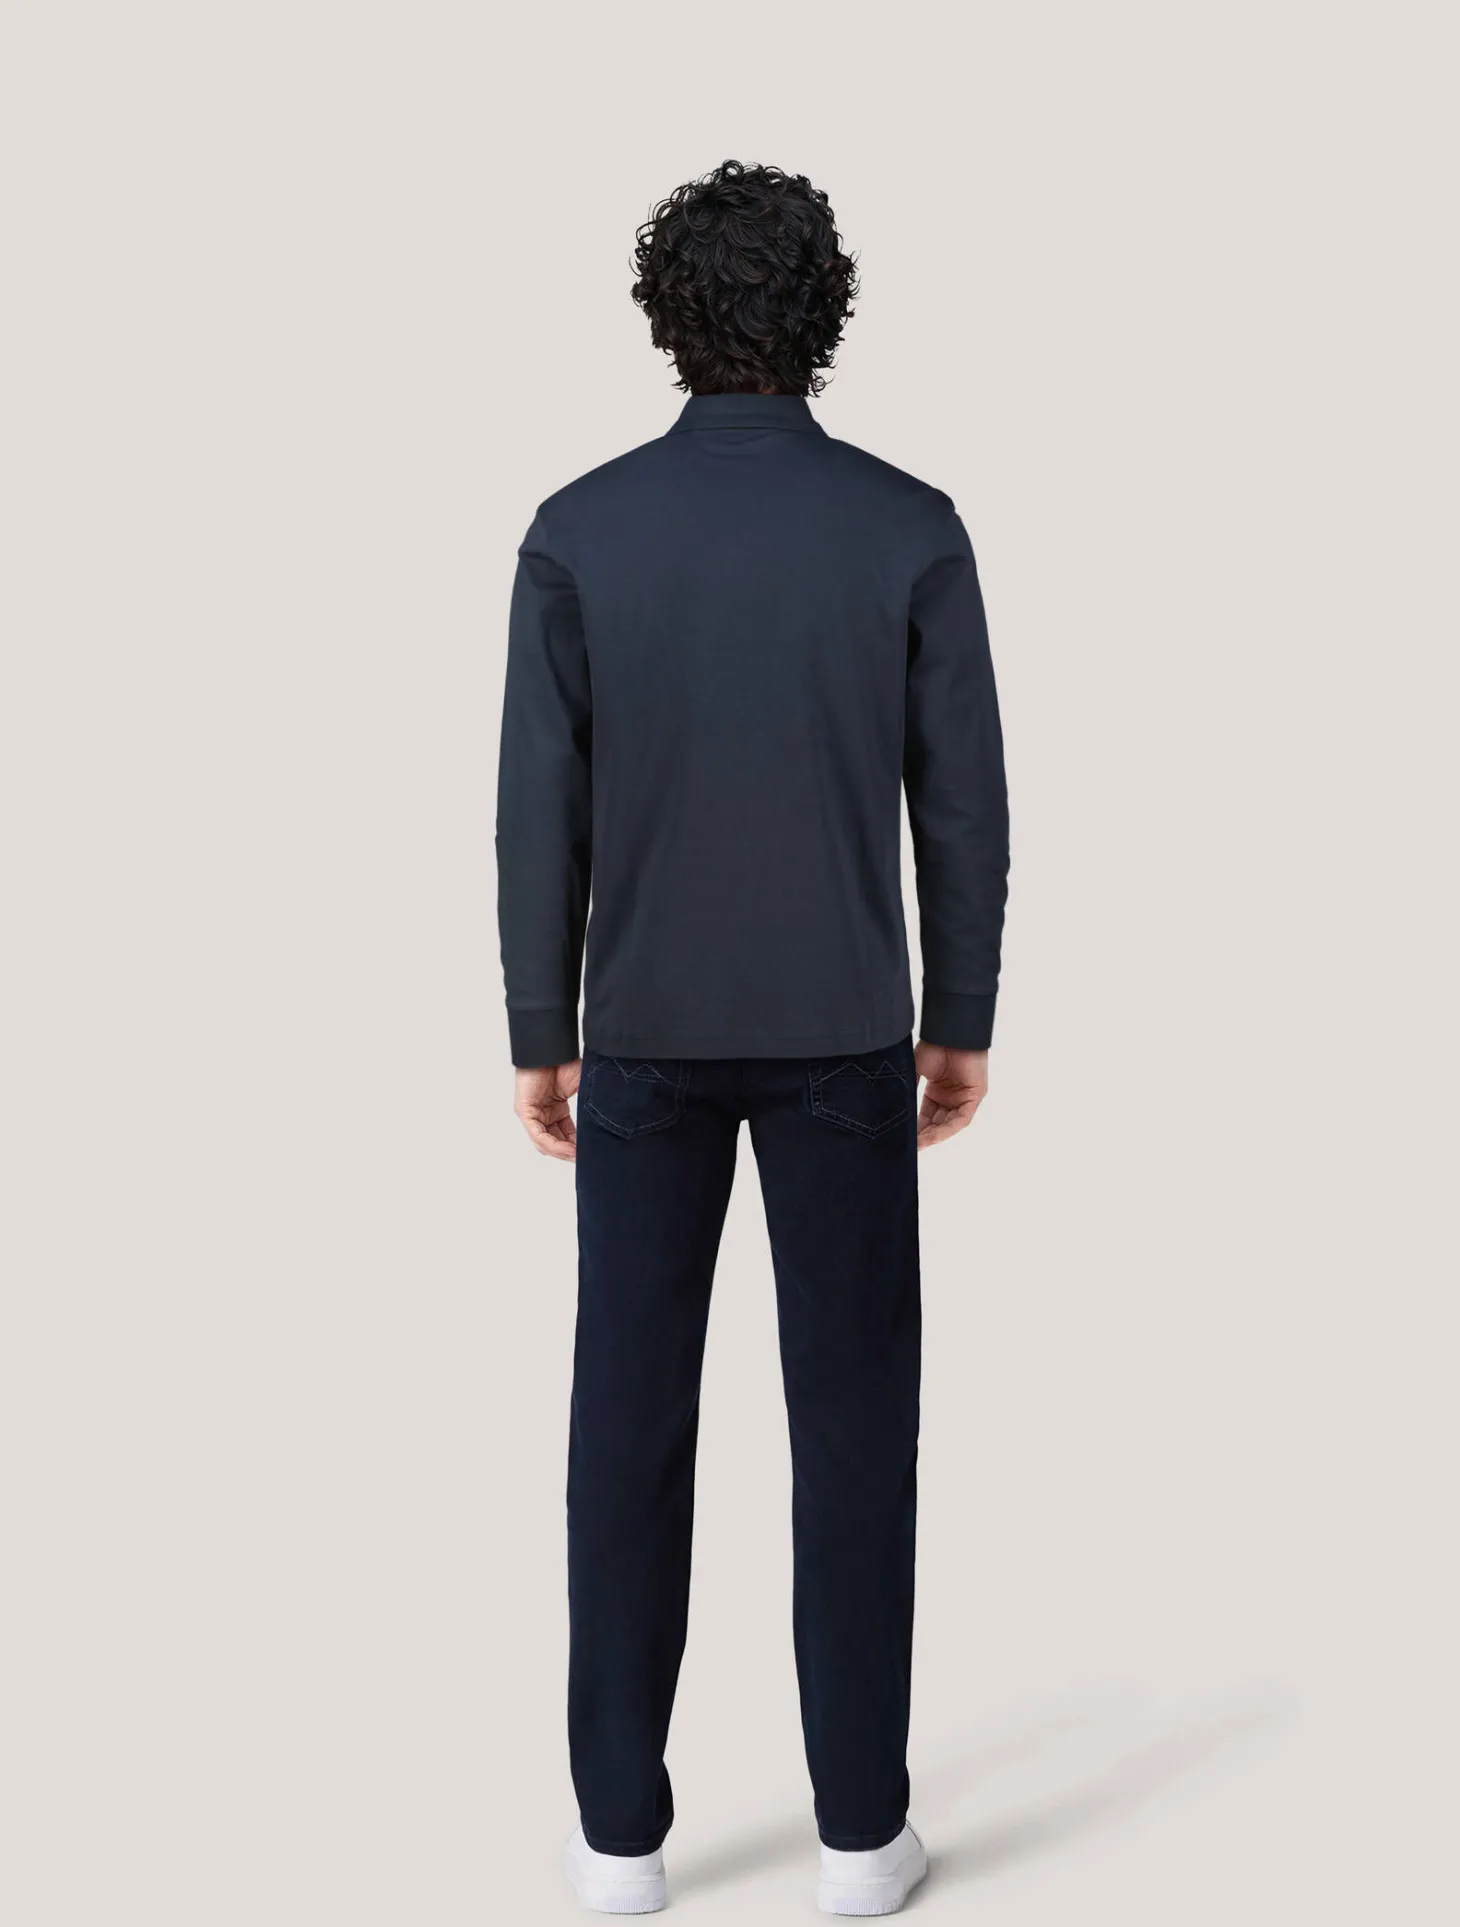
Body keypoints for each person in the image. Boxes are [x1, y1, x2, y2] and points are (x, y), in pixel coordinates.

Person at [496, 159, 1009, 1916]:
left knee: (625, 1422)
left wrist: (538, 1025)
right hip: (849, 1031)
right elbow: (964, 806)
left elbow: (538, 809)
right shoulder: (907, 525)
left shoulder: (580, 529)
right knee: (856, 1425)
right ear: (825, 311)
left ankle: (618, 1840)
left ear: (667, 315)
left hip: (639, 1033)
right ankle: (861, 1832)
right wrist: (961, 1021)